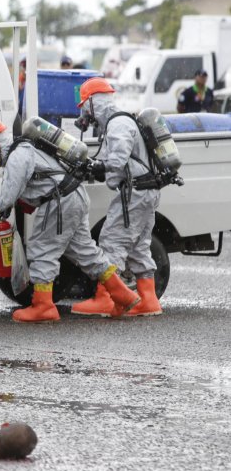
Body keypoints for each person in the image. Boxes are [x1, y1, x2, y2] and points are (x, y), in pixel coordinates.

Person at [0, 118, 140, 323]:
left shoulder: (18, 157)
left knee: (42, 249)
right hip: (73, 196)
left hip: (60, 202)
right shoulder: (25, 149)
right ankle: (123, 295)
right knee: (85, 251)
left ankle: (43, 306)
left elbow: (6, 198)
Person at [72, 78, 164, 317]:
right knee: (139, 246)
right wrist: (100, 168)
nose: (84, 114)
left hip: (134, 193)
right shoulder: (121, 120)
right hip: (145, 192)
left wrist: (100, 169)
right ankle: (149, 299)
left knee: (112, 240)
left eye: (85, 107)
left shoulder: (118, 124)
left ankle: (104, 298)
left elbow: (118, 160)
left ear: (93, 102)